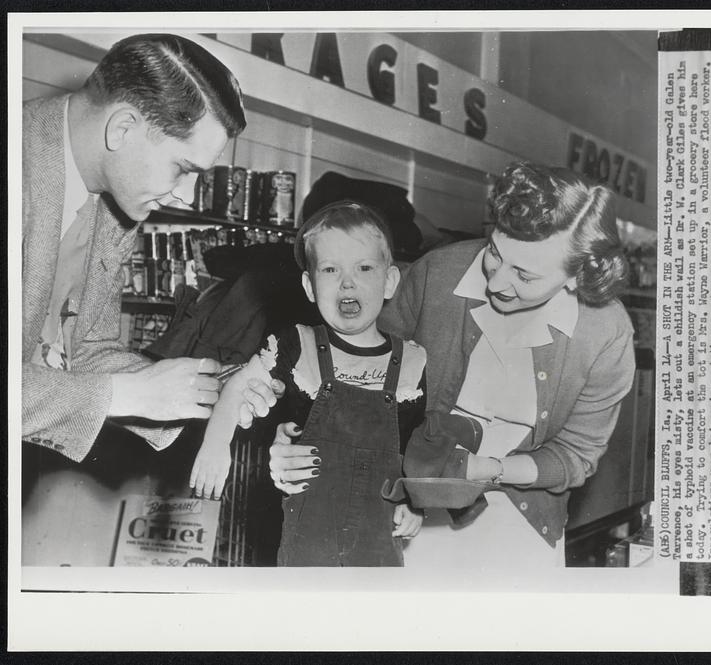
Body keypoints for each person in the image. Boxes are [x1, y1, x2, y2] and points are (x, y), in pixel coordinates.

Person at [268, 162, 636, 570]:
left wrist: (488, 471)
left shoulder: (604, 330)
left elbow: (576, 455)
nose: (496, 282)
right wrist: (299, 433)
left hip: (524, 524)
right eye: (495, 253)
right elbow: (354, 372)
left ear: (575, 277)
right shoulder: (438, 274)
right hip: (400, 510)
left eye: (525, 276)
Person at [22, 33, 274, 464]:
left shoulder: (116, 202)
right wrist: (130, 393)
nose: (187, 197)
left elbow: (85, 349)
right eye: (183, 168)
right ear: (122, 127)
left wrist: (200, 388)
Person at [191, 201, 483, 566]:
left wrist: (415, 503)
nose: (348, 281)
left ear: (390, 280)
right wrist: (216, 445)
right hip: (307, 534)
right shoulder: (295, 345)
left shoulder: (413, 360)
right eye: (330, 269)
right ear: (309, 286)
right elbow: (238, 386)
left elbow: (415, 446)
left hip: (378, 537)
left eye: (364, 267)